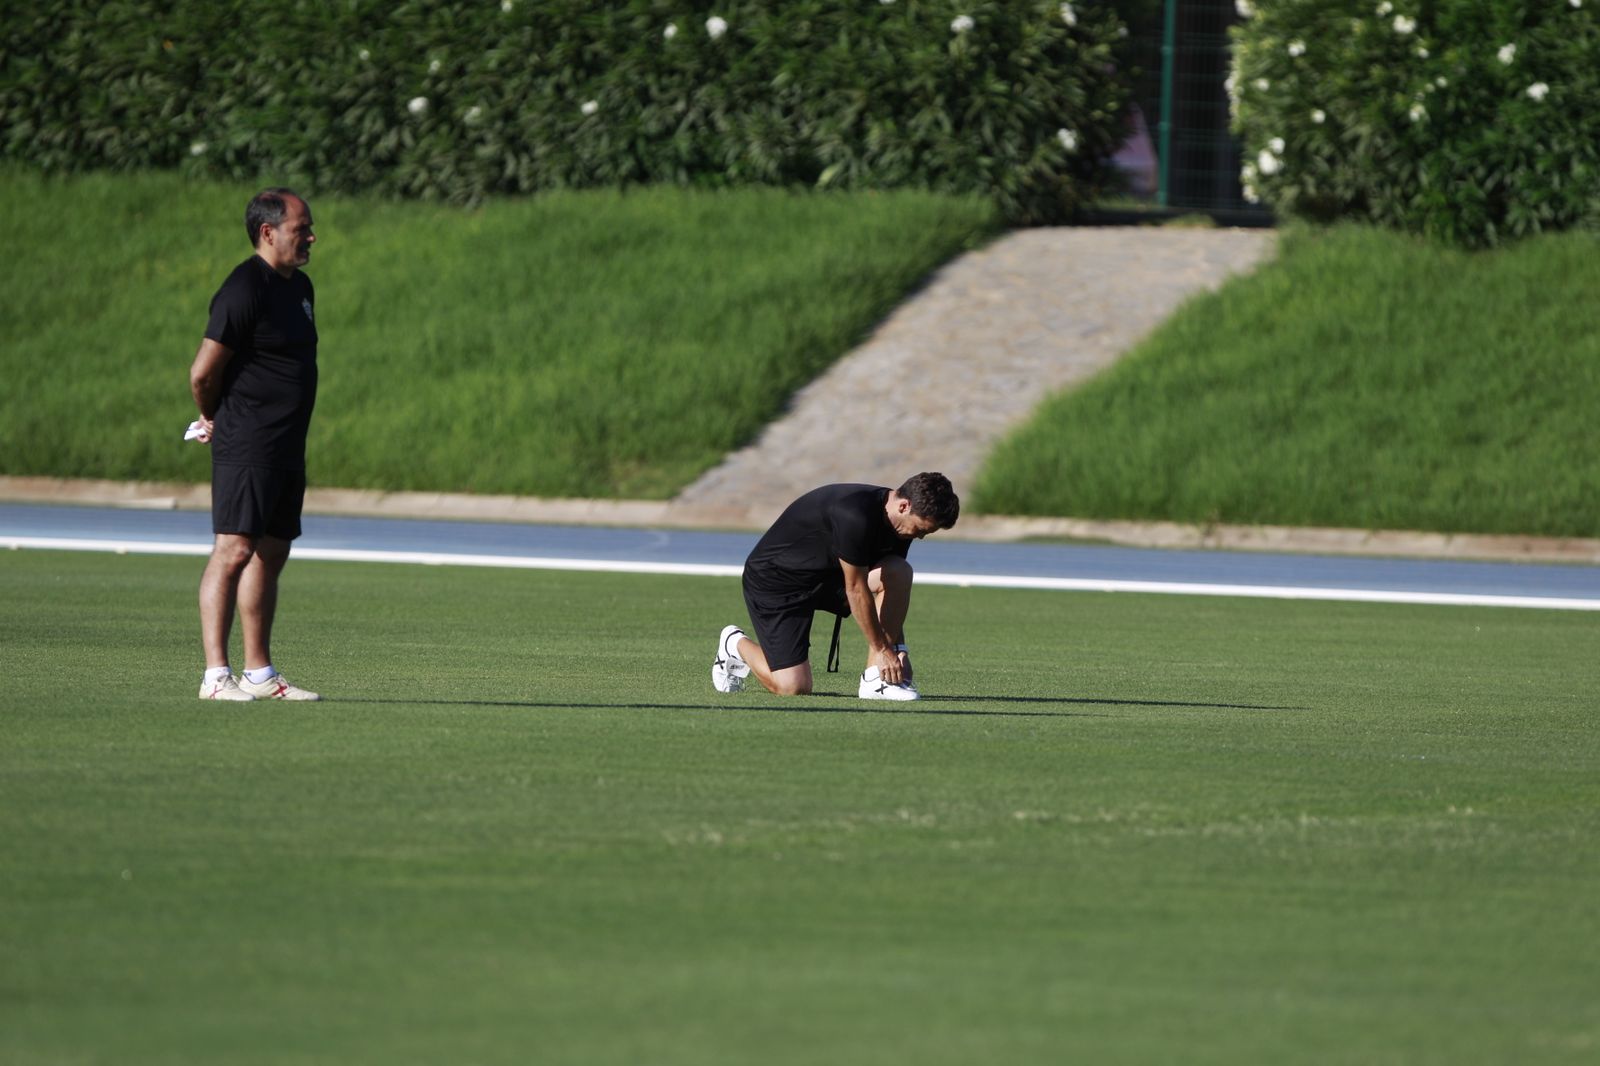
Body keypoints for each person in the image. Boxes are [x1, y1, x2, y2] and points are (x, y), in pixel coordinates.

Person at [187, 188, 322, 702]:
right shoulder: (244, 287)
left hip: (287, 444)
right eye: (300, 227)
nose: (311, 236)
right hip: (247, 442)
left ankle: (259, 675)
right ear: (268, 232)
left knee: (271, 551)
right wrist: (213, 414)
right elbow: (203, 372)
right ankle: (215, 676)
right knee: (234, 549)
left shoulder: (301, 286)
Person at [713, 473, 960, 701]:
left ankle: (876, 680)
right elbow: (855, 588)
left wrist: (898, 649)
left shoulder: (900, 525)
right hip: (777, 581)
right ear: (904, 506)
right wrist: (884, 649)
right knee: (793, 687)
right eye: (920, 529)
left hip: (829, 577)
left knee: (898, 571)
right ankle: (733, 644)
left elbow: (885, 587)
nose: (920, 537)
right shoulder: (855, 514)